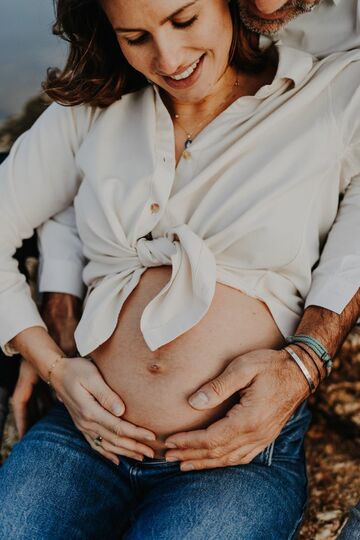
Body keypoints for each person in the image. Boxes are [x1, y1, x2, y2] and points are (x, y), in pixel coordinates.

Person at [0, 0, 360, 538]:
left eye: (184, 20)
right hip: (86, 436)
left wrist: (304, 363)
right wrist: (52, 364)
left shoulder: (331, 93)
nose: (168, 58)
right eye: (134, 36)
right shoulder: (91, 111)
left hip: (233, 459)